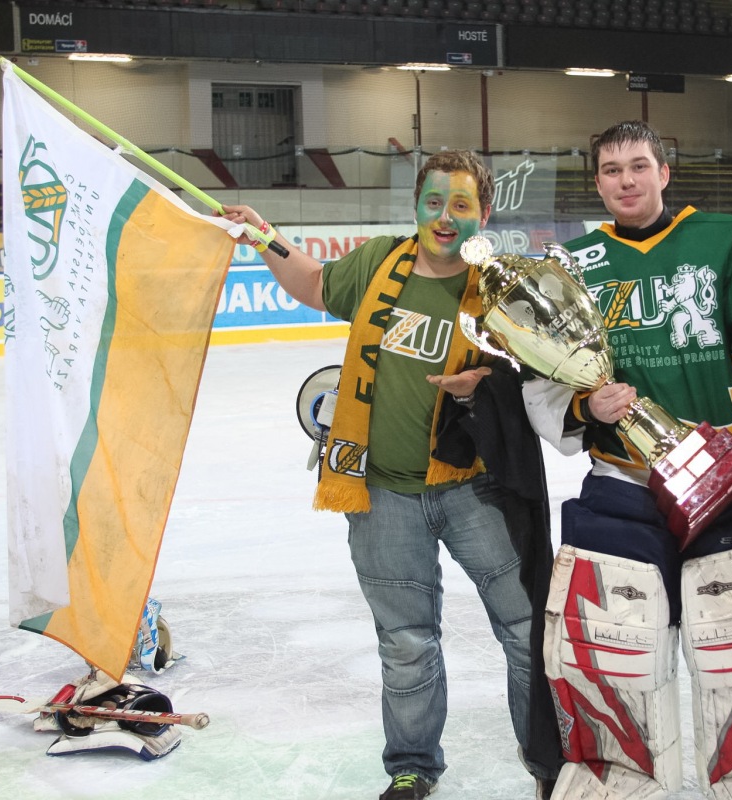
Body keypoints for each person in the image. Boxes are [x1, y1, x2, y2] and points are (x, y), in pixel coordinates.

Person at [220, 150, 563, 800]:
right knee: (406, 642)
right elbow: (314, 285)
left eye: (460, 204)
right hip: (382, 495)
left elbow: (541, 382)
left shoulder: (503, 290)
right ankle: (411, 767)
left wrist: (482, 387)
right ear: (416, 206)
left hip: (474, 489)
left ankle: (548, 762)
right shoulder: (380, 262)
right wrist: (265, 237)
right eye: (433, 202)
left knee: (526, 630)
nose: (444, 217)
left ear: (485, 213)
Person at [522, 120, 732, 800]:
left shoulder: (726, 239)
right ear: (597, 182)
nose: (626, 180)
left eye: (638, 165)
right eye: (611, 170)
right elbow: (542, 374)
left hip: (724, 487)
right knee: (612, 667)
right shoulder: (572, 265)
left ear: (664, 171)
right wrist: (585, 408)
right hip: (621, 485)